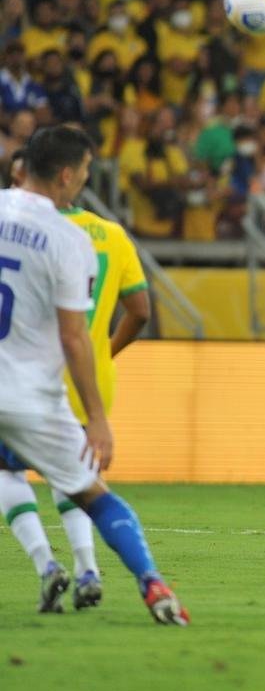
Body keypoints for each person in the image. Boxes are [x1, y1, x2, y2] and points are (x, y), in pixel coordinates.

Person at [0, 125, 186, 624]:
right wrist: (98, 417)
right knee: (92, 494)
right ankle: (152, 585)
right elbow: (75, 337)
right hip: (30, 396)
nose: (84, 179)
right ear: (66, 174)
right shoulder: (70, 240)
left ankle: (49, 564)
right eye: (84, 171)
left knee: (4, 473)